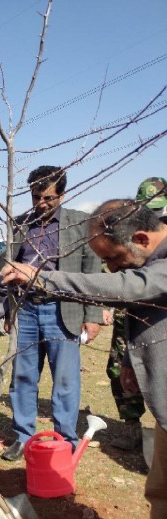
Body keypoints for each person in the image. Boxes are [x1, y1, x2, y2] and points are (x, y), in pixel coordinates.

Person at [0, 199, 167, 519]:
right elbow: (147, 310)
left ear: (142, 238)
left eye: (113, 259)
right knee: (160, 492)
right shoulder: (146, 254)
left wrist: (44, 278)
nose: (109, 268)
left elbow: (134, 288)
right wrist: (131, 360)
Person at [0, 166, 104, 461]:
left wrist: (93, 315)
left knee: (66, 379)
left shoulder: (79, 224)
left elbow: (92, 271)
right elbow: (8, 269)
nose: (41, 203)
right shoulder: (19, 225)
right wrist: (9, 311)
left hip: (62, 310)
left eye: (48, 197)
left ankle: (65, 439)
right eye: (36, 197)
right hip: (25, 310)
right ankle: (23, 438)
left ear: (62, 194)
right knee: (23, 377)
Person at [106, 177, 167, 452]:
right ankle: (132, 427)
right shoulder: (129, 229)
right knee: (120, 368)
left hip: (158, 316)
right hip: (128, 310)